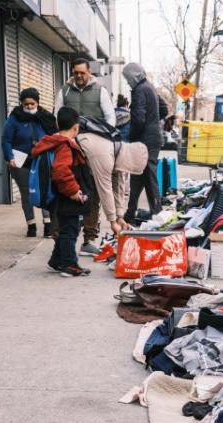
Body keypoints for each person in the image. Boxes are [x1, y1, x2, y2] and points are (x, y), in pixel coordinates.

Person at [54, 58, 114, 257]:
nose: (79, 76)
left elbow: (110, 118)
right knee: (65, 191)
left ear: (89, 72)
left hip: (92, 150)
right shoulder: (64, 91)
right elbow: (57, 116)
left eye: (82, 72)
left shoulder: (100, 91)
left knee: (92, 194)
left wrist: (104, 141)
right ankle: (60, 239)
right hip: (69, 149)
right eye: (75, 73)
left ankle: (89, 239)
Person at [31, 106, 93, 278]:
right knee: (70, 230)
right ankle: (69, 264)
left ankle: (56, 260)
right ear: (76, 127)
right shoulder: (65, 145)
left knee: (67, 227)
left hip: (58, 195)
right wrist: (73, 191)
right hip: (66, 196)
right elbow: (60, 170)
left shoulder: (53, 141)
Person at [75, 116, 147, 237]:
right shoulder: (105, 155)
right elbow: (105, 189)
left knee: (94, 197)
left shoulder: (119, 151)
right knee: (92, 196)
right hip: (72, 166)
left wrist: (120, 217)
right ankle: (63, 244)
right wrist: (112, 222)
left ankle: (89, 238)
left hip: (86, 165)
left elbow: (119, 187)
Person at [2, 87, 57, 238]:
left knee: (45, 191)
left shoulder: (46, 117)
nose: (29, 107)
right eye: (26, 104)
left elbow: (55, 137)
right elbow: (6, 140)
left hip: (42, 160)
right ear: (21, 104)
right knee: (26, 193)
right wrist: (9, 157)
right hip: (21, 161)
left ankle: (48, 224)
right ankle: (31, 225)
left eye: (32, 104)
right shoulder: (14, 118)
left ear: (37, 103)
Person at [123, 62, 163, 224]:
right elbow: (165, 108)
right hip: (153, 138)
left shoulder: (139, 90)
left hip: (144, 141)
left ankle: (157, 212)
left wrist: (131, 137)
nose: (127, 82)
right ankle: (131, 212)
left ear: (133, 76)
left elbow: (138, 119)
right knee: (138, 174)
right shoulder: (150, 87)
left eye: (127, 78)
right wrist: (153, 123)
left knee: (147, 175)